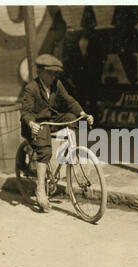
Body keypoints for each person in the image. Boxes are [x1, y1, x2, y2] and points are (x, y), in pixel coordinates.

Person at [20, 54, 93, 213]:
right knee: (45, 151)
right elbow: (26, 112)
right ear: (40, 72)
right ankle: (40, 188)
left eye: (55, 73)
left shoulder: (57, 84)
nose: (53, 76)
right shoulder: (31, 88)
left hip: (50, 119)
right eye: (50, 73)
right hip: (37, 123)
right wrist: (32, 124)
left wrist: (83, 113)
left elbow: (69, 101)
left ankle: (71, 151)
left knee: (71, 117)